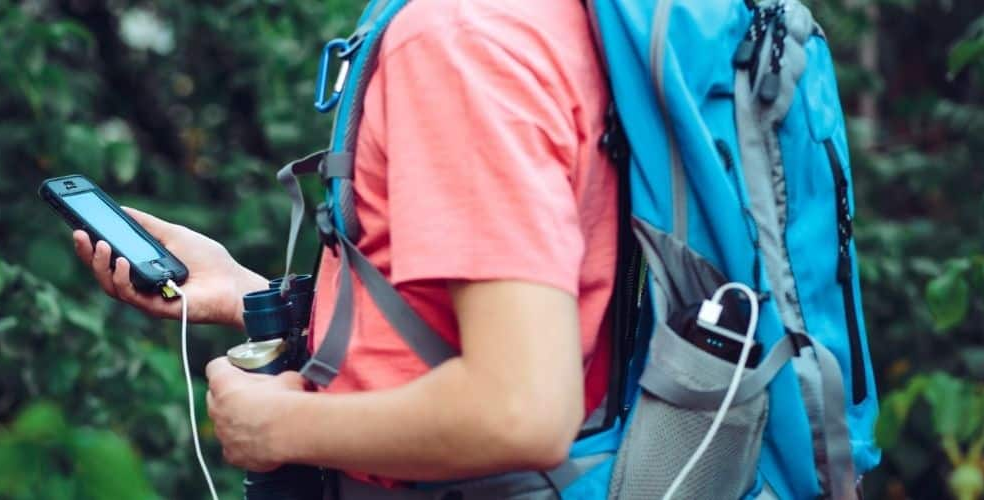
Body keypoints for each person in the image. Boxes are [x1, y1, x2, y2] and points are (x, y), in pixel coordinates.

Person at [72, 0, 619, 490]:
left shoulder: (457, 41)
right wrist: (249, 294)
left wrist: (275, 428)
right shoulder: (536, 18)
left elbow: (519, 410)